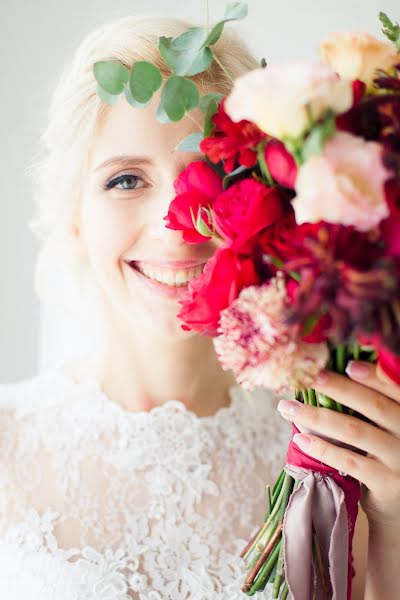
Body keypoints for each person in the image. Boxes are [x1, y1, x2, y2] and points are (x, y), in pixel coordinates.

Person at [0, 11, 397, 600]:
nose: (176, 228)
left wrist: (390, 526)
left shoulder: (341, 454)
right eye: (126, 180)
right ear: (74, 219)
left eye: (213, 172)